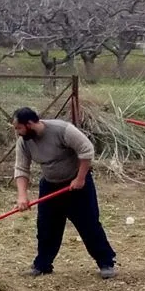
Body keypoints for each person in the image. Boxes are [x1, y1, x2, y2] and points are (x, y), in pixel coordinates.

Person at [12, 107, 117, 279]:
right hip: (50, 185)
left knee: (89, 225)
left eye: (19, 128)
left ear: (30, 124)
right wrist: (22, 196)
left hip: (76, 185)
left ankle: (106, 263)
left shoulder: (62, 130)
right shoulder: (24, 141)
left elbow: (87, 150)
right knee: (46, 227)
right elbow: (21, 168)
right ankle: (43, 265)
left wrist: (80, 178)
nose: (17, 132)